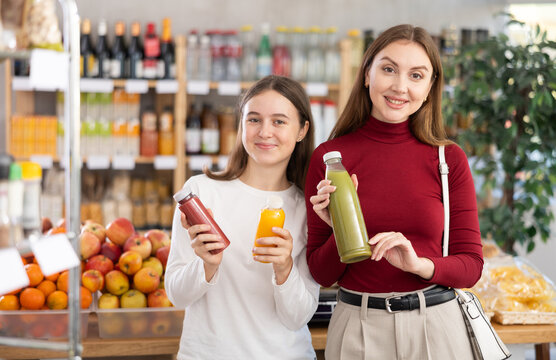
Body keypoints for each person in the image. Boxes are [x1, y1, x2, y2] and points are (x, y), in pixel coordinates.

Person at [305, 24, 483, 359]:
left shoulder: (448, 159)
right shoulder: (331, 159)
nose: (400, 86)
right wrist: (339, 230)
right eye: (389, 69)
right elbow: (320, 273)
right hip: (356, 329)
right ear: (367, 74)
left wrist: (419, 264)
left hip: (435, 327)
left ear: (430, 88)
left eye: (416, 75)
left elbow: (471, 266)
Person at [166, 75, 320, 360]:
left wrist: (284, 268)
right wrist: (207, 265)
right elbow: (177, 295)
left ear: (302, 130)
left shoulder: (309, 208)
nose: (264, 132)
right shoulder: (201, 193)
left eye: (279, 121)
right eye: (253, 119)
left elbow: (297, 317)